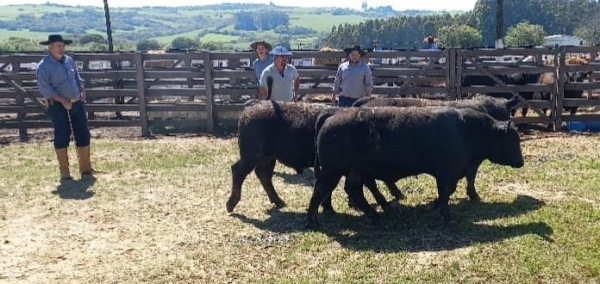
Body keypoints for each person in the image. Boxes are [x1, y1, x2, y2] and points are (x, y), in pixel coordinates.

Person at [36, 34, 93, 180]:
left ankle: (86, 168)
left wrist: (81, 88)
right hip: (57, 105)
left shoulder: (69, 61)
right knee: (62, 133)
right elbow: (45, 88)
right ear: (50, 47)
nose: (62, 49)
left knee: (83, 132)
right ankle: (64, 171)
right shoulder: (43, 66)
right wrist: (62, 100)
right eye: (59, 46)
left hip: (76, 101)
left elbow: (76, 77)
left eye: (63, 46)